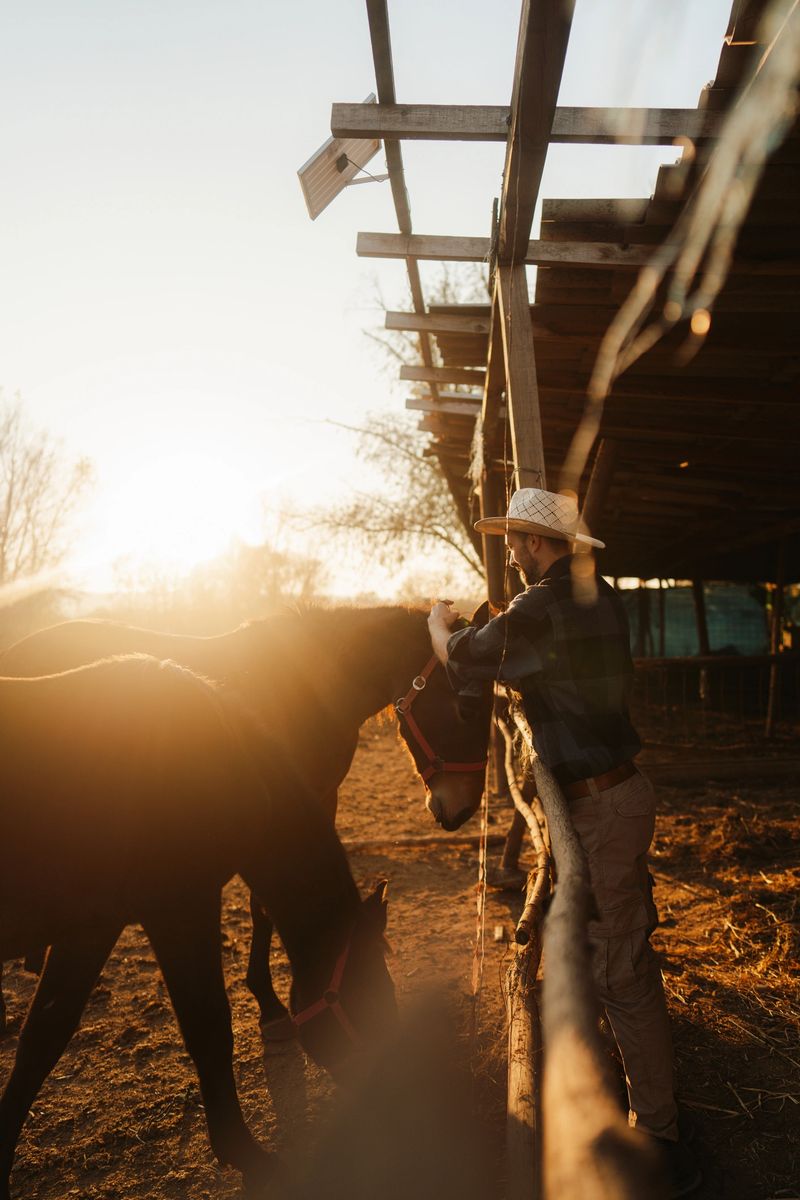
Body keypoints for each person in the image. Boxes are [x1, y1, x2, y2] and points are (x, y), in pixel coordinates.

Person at [427, 486, 701, 1199]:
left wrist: (438, 628)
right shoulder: (596, 594)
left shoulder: (541, 604)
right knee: (616, 949)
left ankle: (659, 1131)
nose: (510, 553)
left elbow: (467, 657)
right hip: (614, 793)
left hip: (601, 803)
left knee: (618, 969)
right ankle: (648, 1099)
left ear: (535, 543)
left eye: (515, 541)